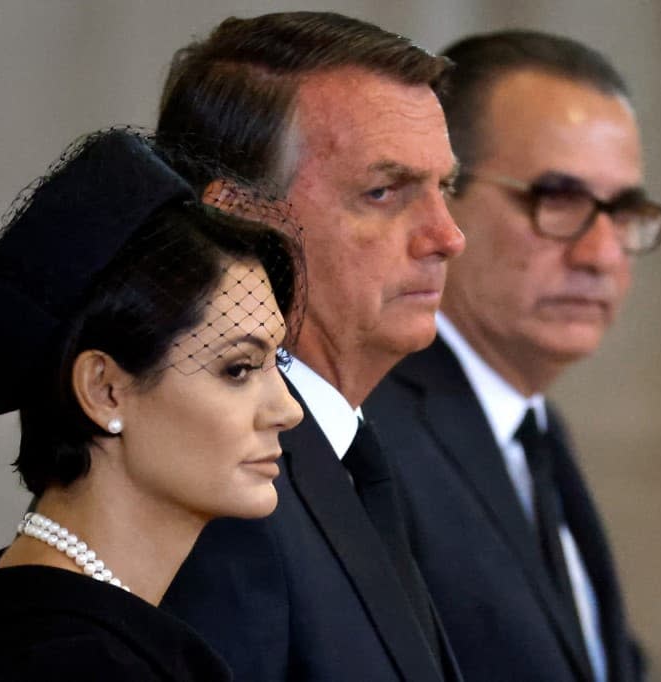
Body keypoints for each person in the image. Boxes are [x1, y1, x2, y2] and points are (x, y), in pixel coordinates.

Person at [0, 129, 305, 680]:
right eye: (239, 369)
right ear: (104, 390)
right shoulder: (71, 663)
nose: (288, 409)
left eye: (280, 363)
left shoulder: (74, 629)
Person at [158, 12, 467, 681]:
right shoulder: (226, 488)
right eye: (384, 192)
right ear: (238, 222)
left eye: (446, 188)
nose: (447, 237)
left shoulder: (346, 451)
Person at [364, 30, 661, 682]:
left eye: (622, 211)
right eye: (556, 200)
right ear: (439, 195)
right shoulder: (365, 430)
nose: (600, 255)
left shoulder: (534, 429)